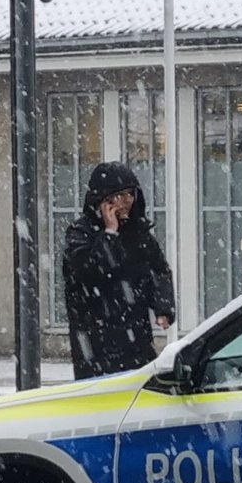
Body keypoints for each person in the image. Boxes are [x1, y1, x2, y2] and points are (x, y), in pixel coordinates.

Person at [61, 162, 175, 379]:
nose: (126, 202)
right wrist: (109, 234)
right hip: (96, 346)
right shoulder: (81, 234)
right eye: (118, 196)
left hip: (137, 341)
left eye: (130, 194)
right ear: (102, 200)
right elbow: (87, 275)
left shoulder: (138, 234)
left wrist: (163, 306)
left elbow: (158, 270)